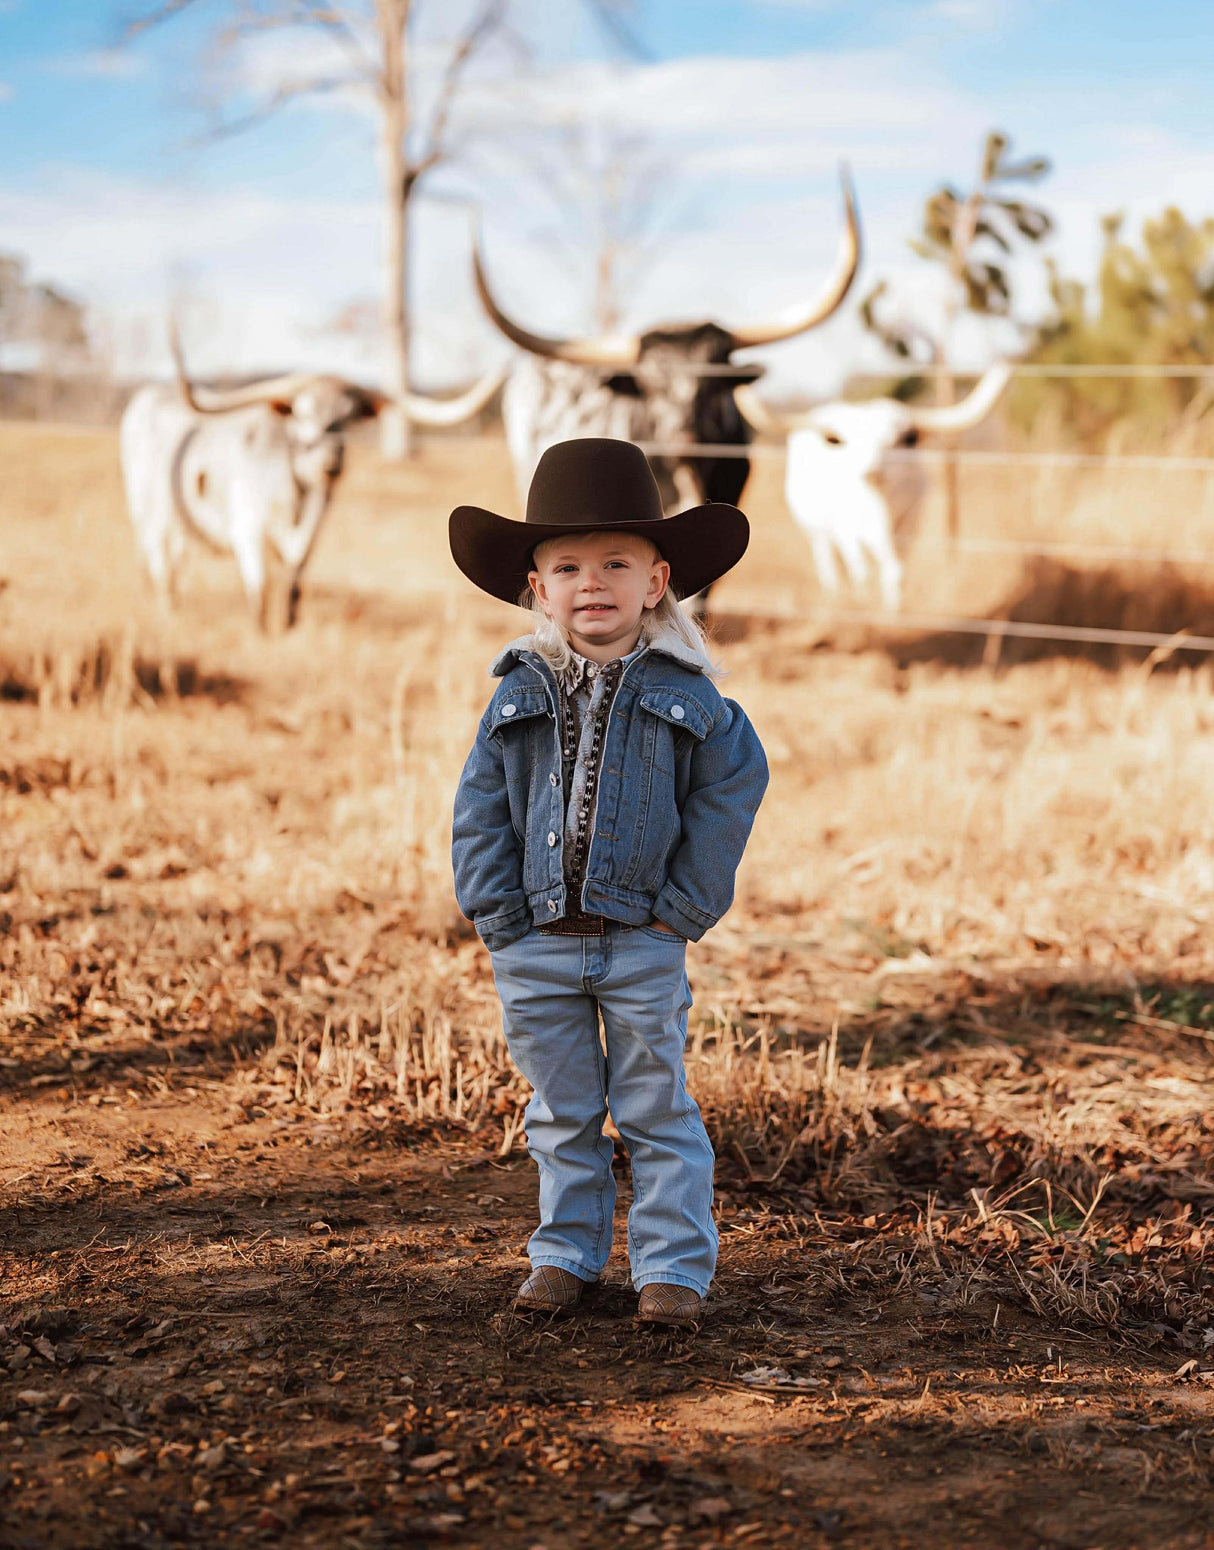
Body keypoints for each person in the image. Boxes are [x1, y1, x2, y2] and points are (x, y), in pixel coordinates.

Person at [449, 437, 769, 1331]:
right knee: (561, 1110)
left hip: (643, 942)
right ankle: (566, 1256)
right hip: (537, 942)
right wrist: (498, 917)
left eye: (617, 563)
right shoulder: (517, 694)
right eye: (569, 566)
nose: (594, 581)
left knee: (655, 1105)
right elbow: (478, 808)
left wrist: (682, 911)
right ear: (538, 588)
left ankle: (670, 1270)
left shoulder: (692, 695)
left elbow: (733, 790)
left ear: (657, 581)